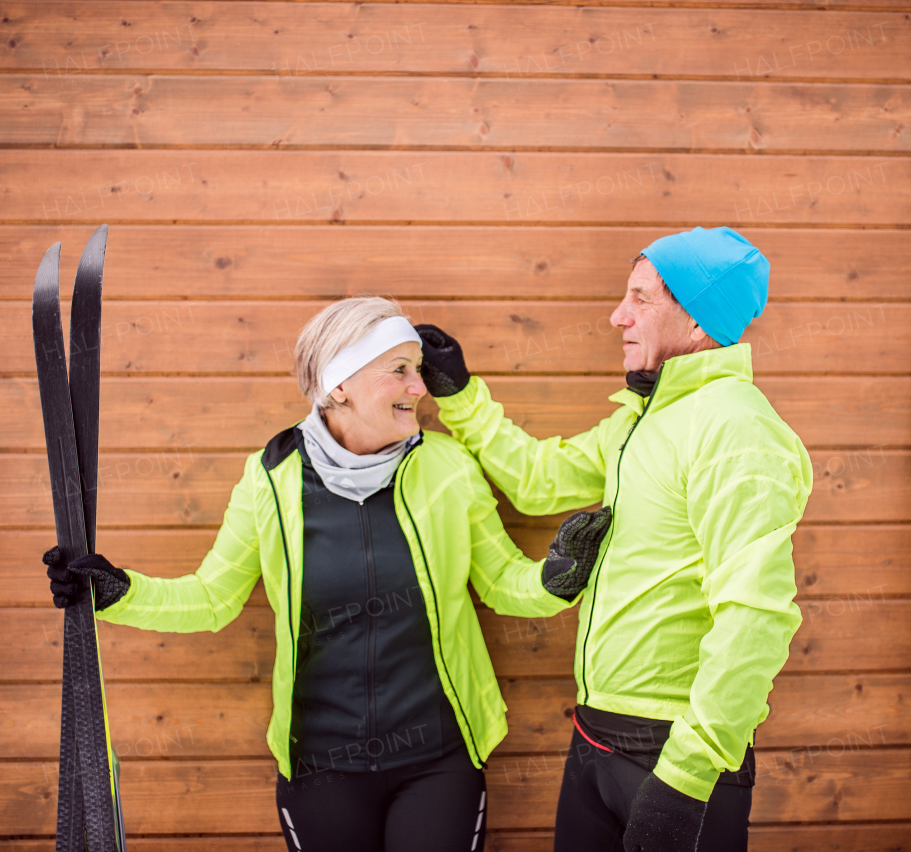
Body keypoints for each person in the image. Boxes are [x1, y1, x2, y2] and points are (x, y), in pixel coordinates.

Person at [44, 296, 612, 852]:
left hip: (437, 760)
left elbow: (501, 583)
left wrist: (554, 580)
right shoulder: (273, 478)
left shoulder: (447, 467)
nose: (421, 388)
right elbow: (213, 598)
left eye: (418, 371)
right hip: (320, 768)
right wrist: (120, 593)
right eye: (400, 371)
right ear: (338, 385)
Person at [414, 226, 813, 852]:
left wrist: (686, 777)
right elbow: (537, 481)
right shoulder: (641, 419)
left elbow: (756, 617)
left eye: (641, 299)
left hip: (674, 753)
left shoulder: (735, 430)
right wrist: (461, 397)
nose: (617, 316)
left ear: (698, 320)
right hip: (597, 736)